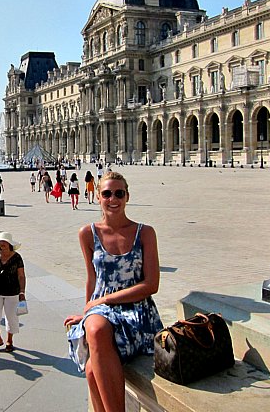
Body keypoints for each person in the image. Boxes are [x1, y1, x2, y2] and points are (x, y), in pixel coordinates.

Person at [64, 172, 163, 412]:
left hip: (137, 311)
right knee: (95, 329)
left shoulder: (145, 233)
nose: (113, 198)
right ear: (98, 197)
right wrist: (86, 313)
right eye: (107, 193)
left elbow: (151, 285)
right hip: (101, 311)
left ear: (127, 196)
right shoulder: (87, 234)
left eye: (119, 193)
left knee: (91, 370)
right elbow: (92, 278)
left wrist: (104, 300)